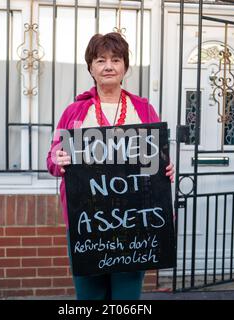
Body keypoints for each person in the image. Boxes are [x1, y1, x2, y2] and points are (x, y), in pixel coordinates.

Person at [46, 32, 175, 300]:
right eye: (100, 60)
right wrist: (58, 159)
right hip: (86, 222)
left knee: (126, 296)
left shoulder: (144, 108)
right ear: (91, 67)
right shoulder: (74, 112)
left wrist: (167, 170)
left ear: (125, 67)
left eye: (116, 60)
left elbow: (157, 160)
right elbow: (52, 158)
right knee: (89, 295)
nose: (108, 66)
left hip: (135, 221)